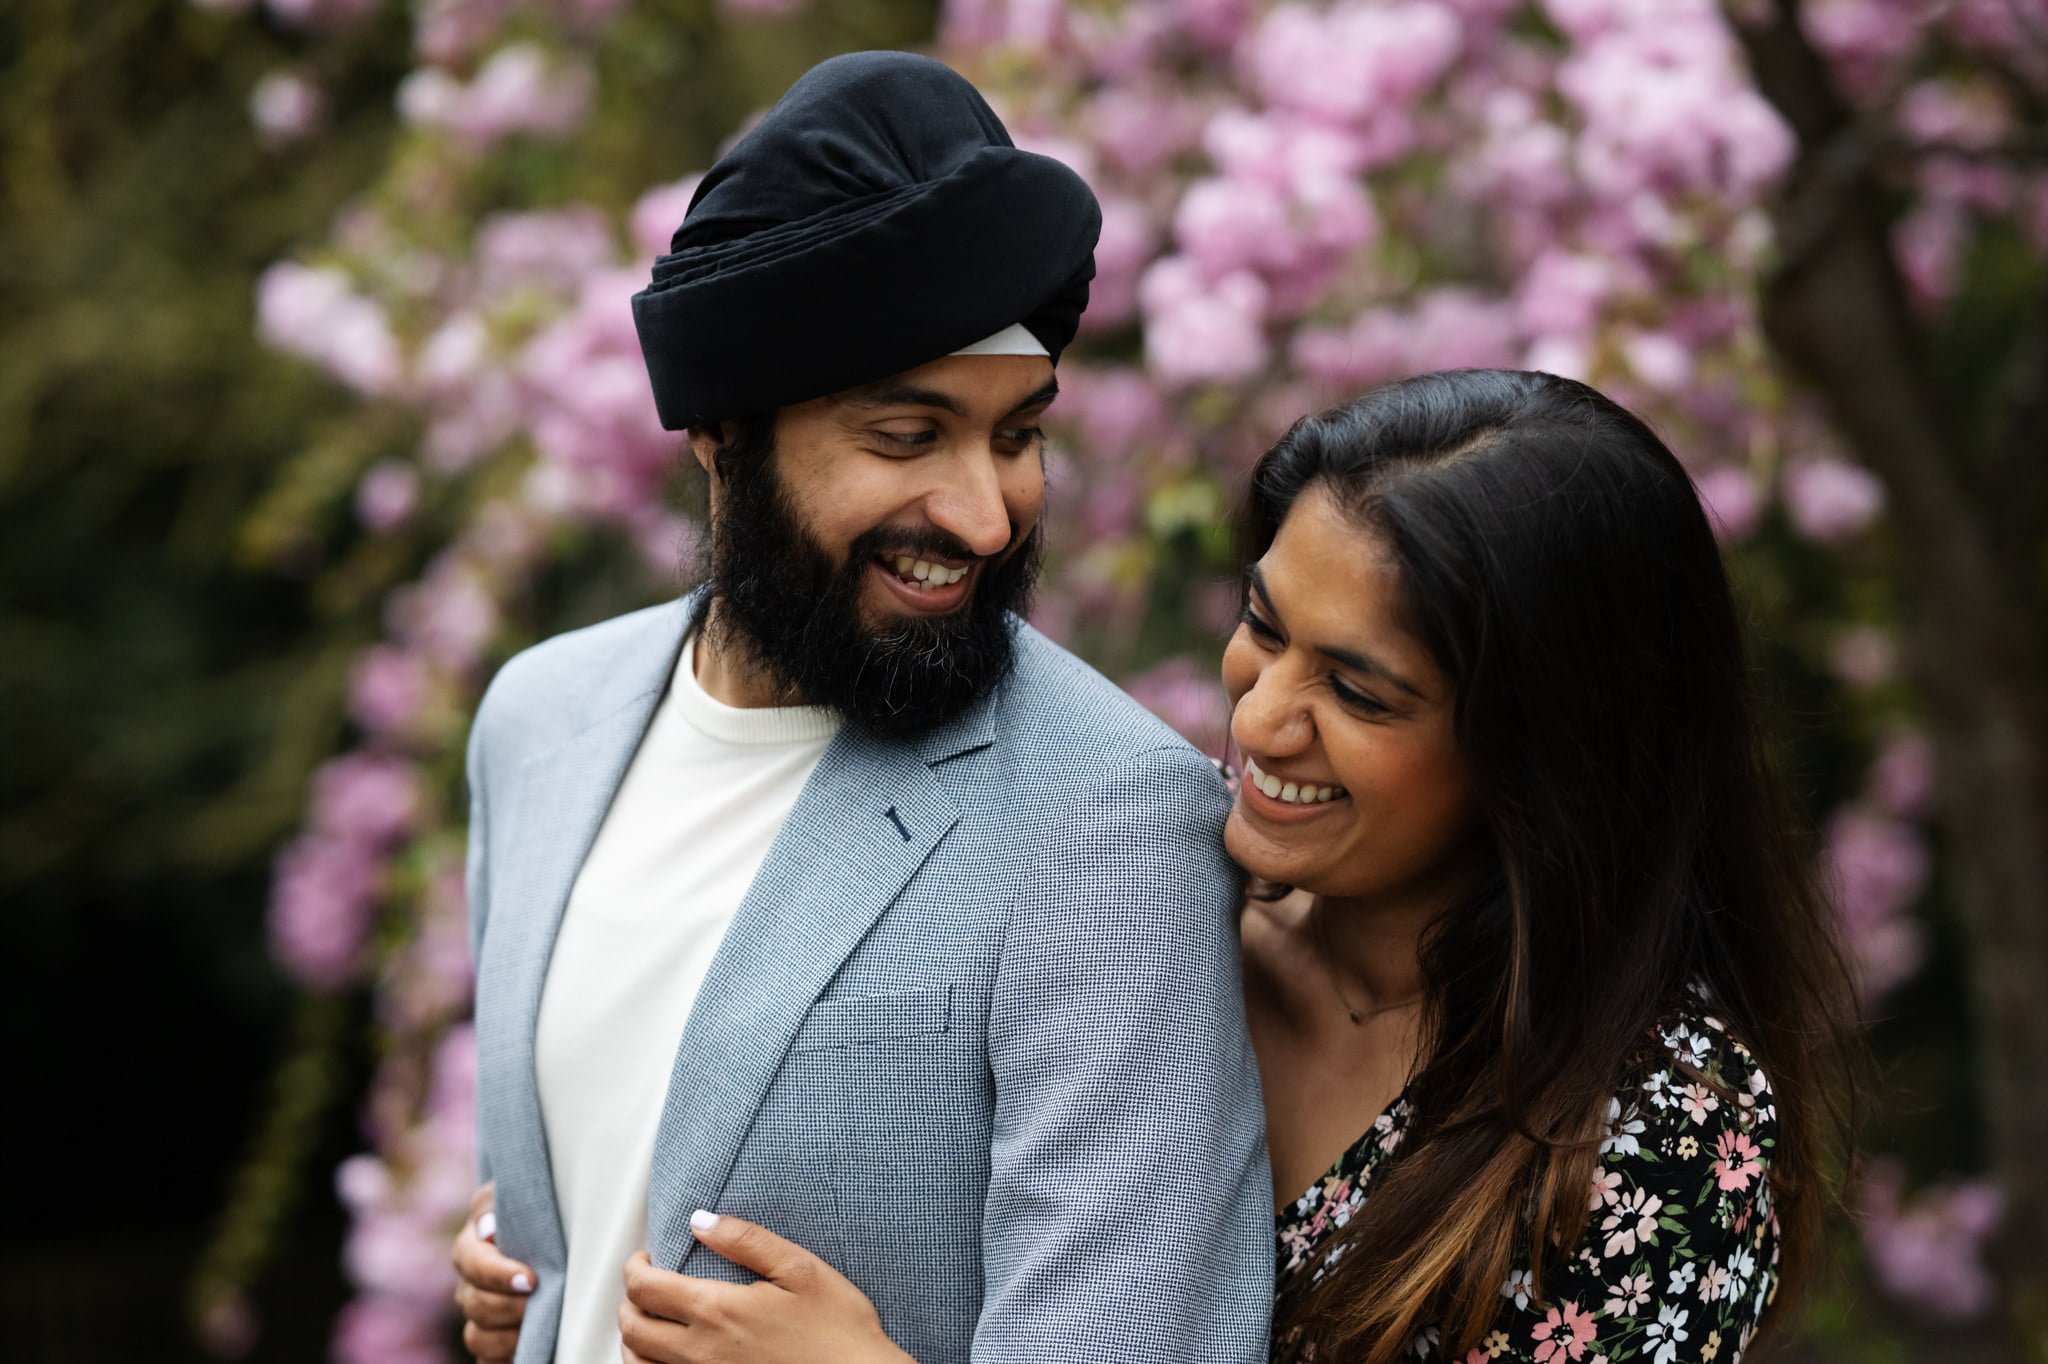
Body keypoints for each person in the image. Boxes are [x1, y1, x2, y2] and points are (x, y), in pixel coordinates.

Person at [525, 368, 1855, 1364]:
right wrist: (566, 1239)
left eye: (1361, 690)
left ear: (1549, 753)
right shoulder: (1144, 911)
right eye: (1264, 631)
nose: (1263, 717)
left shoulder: (1655, 1141)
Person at [447, 50, 1272, 1364]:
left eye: (1018, 434)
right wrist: (534, 1270)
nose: (986, 513)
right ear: (724, 429)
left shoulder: (1113, 821)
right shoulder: (538, 723)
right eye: (908, 436)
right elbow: (589, 1190)